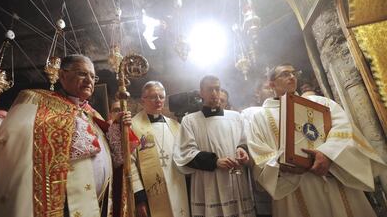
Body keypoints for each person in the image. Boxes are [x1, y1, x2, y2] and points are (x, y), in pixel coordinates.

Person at [0, 54, 131, 217]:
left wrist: (117, 130)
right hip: (63, 202)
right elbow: (15, 138)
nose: (89, 80)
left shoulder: (93, 114)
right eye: (82, 74)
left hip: (99, 202)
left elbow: (114, 156)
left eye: (92, 76)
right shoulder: (40, 103)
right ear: (62, 75)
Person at [245, 63, 386, 217]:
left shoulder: (320, 103)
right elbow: (259, 154)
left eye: (294, 73)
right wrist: (281, 163)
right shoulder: (258, 118)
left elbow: (344, 129)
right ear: (272, 84)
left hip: (332, 175)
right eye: (285, 74)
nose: (292, 77)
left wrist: (326, 154)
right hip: (295, 186)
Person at [174, 75, 255, 217]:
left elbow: (245, 141)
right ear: (201, 93)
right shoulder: (190, 120)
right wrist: (215, 161)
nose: (214, 93)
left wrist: (242, 149)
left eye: (217, 89)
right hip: (208, 182)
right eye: (210, 89)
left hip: (236, 182)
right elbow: (186, 152)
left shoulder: (236, 117)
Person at [130, 81, 189, 217]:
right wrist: (139, 197)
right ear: (142, 100)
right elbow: (130, 164)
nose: (158, 100)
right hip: (151, 193)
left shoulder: (175, 125)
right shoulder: (133, 126)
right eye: (152, 97)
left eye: (161, 97)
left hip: (178, 186)